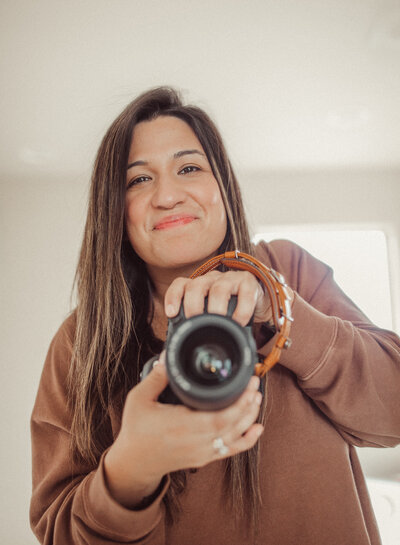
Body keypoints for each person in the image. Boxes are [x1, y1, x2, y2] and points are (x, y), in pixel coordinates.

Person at [30, 86, 400, 545]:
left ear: (223, 187)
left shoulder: (287, 273)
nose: (168, 196)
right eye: (138, 180)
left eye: (189, 168)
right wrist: (130, 471)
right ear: (114, 210)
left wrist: (280, 311)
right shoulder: (80, 342)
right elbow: (59, 533)